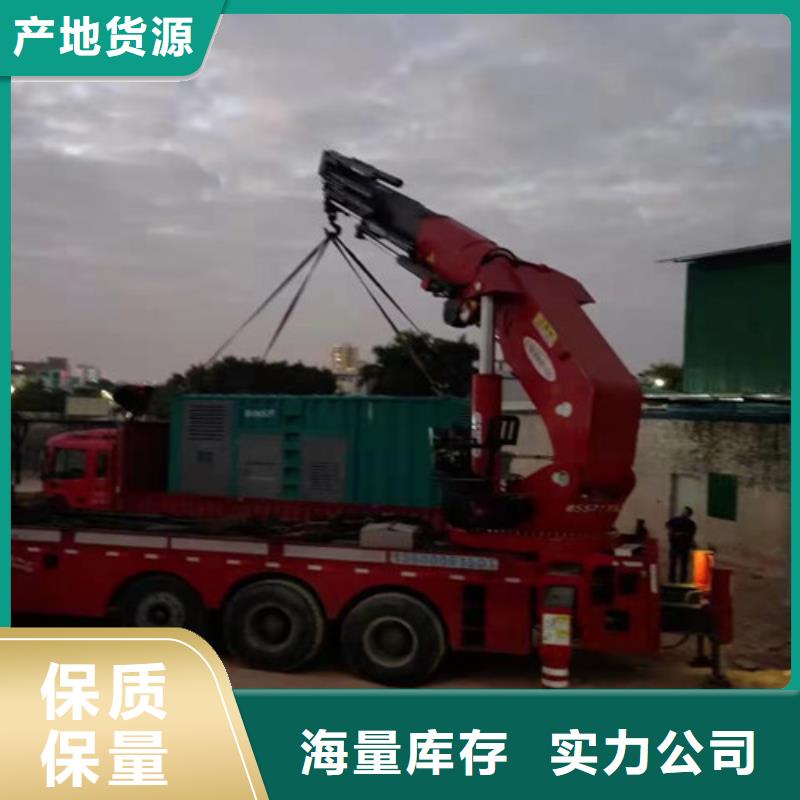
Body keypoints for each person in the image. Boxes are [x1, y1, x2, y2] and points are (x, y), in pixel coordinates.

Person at [666, 506, 697, 582]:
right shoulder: (676, 519)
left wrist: (681, 534)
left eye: (685, 511)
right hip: (675, 544)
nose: (684, 512)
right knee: (673, 563)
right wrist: (672, 533)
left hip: (684, 546)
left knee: (683, 565)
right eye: (684, 511)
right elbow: (668, 525)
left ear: (688, 514)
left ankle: (682, 581)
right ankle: (672, 580)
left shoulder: (691, 524)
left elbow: (691, 535)